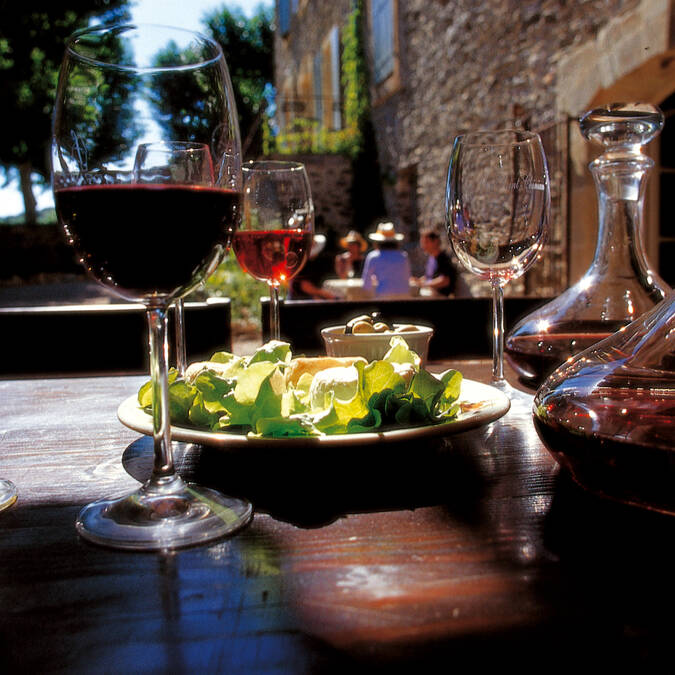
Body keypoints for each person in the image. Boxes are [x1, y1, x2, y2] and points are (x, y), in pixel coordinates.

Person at [361, 221, 411, 297]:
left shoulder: (373, 256)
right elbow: (407, 277)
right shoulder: (403, 256)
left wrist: (370, 295)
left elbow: (366, 282)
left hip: (384, 295)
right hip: (404, 295)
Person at [287, 234, 339, 300]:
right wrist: (324, 294)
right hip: (299, 301)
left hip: (304, 300)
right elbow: (304, 286)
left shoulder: (312, 262)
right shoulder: (303, 263)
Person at [412, 226, 457, 296]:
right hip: (430, 292)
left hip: (439, 295)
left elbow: (445, 281)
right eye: (422, 243)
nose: (423, 246)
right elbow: (430, 277)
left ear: (435, 241)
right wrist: (418, 281)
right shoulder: (432, 258)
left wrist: (423, 284)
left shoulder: (443, 259)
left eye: (426, 242)